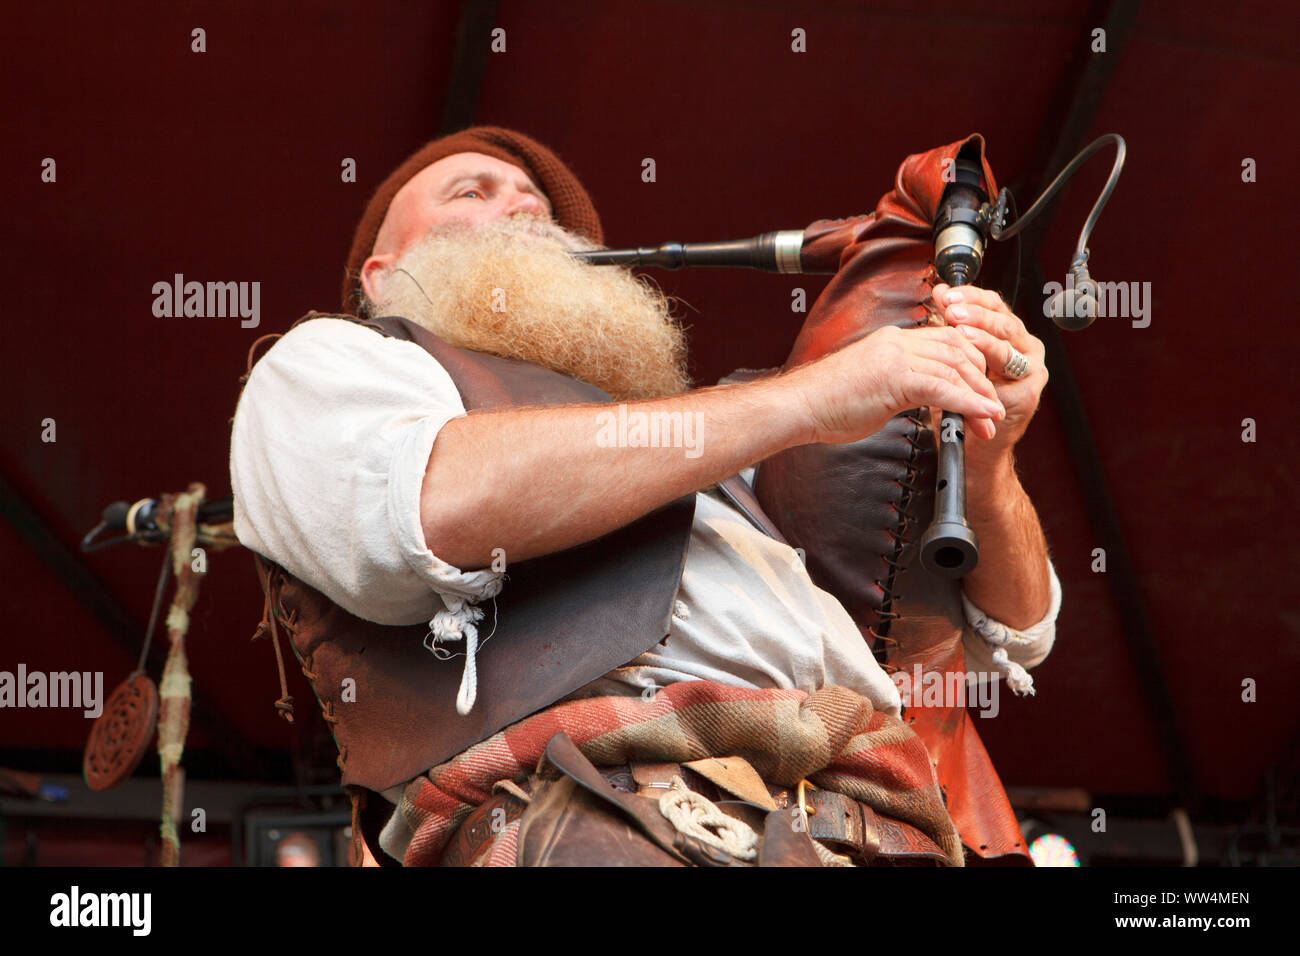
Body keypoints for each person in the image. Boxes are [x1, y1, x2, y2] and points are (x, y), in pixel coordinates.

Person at [230, 126, 1060, 867]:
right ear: (381, 274)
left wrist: (994, 452)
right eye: (472, 193)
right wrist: (807, 400)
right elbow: (431, 509)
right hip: (602, 820)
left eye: (536, 205)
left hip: (880, 831)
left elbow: (1009, 636)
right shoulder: (330, 366)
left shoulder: (710, 456)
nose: (522, 208)